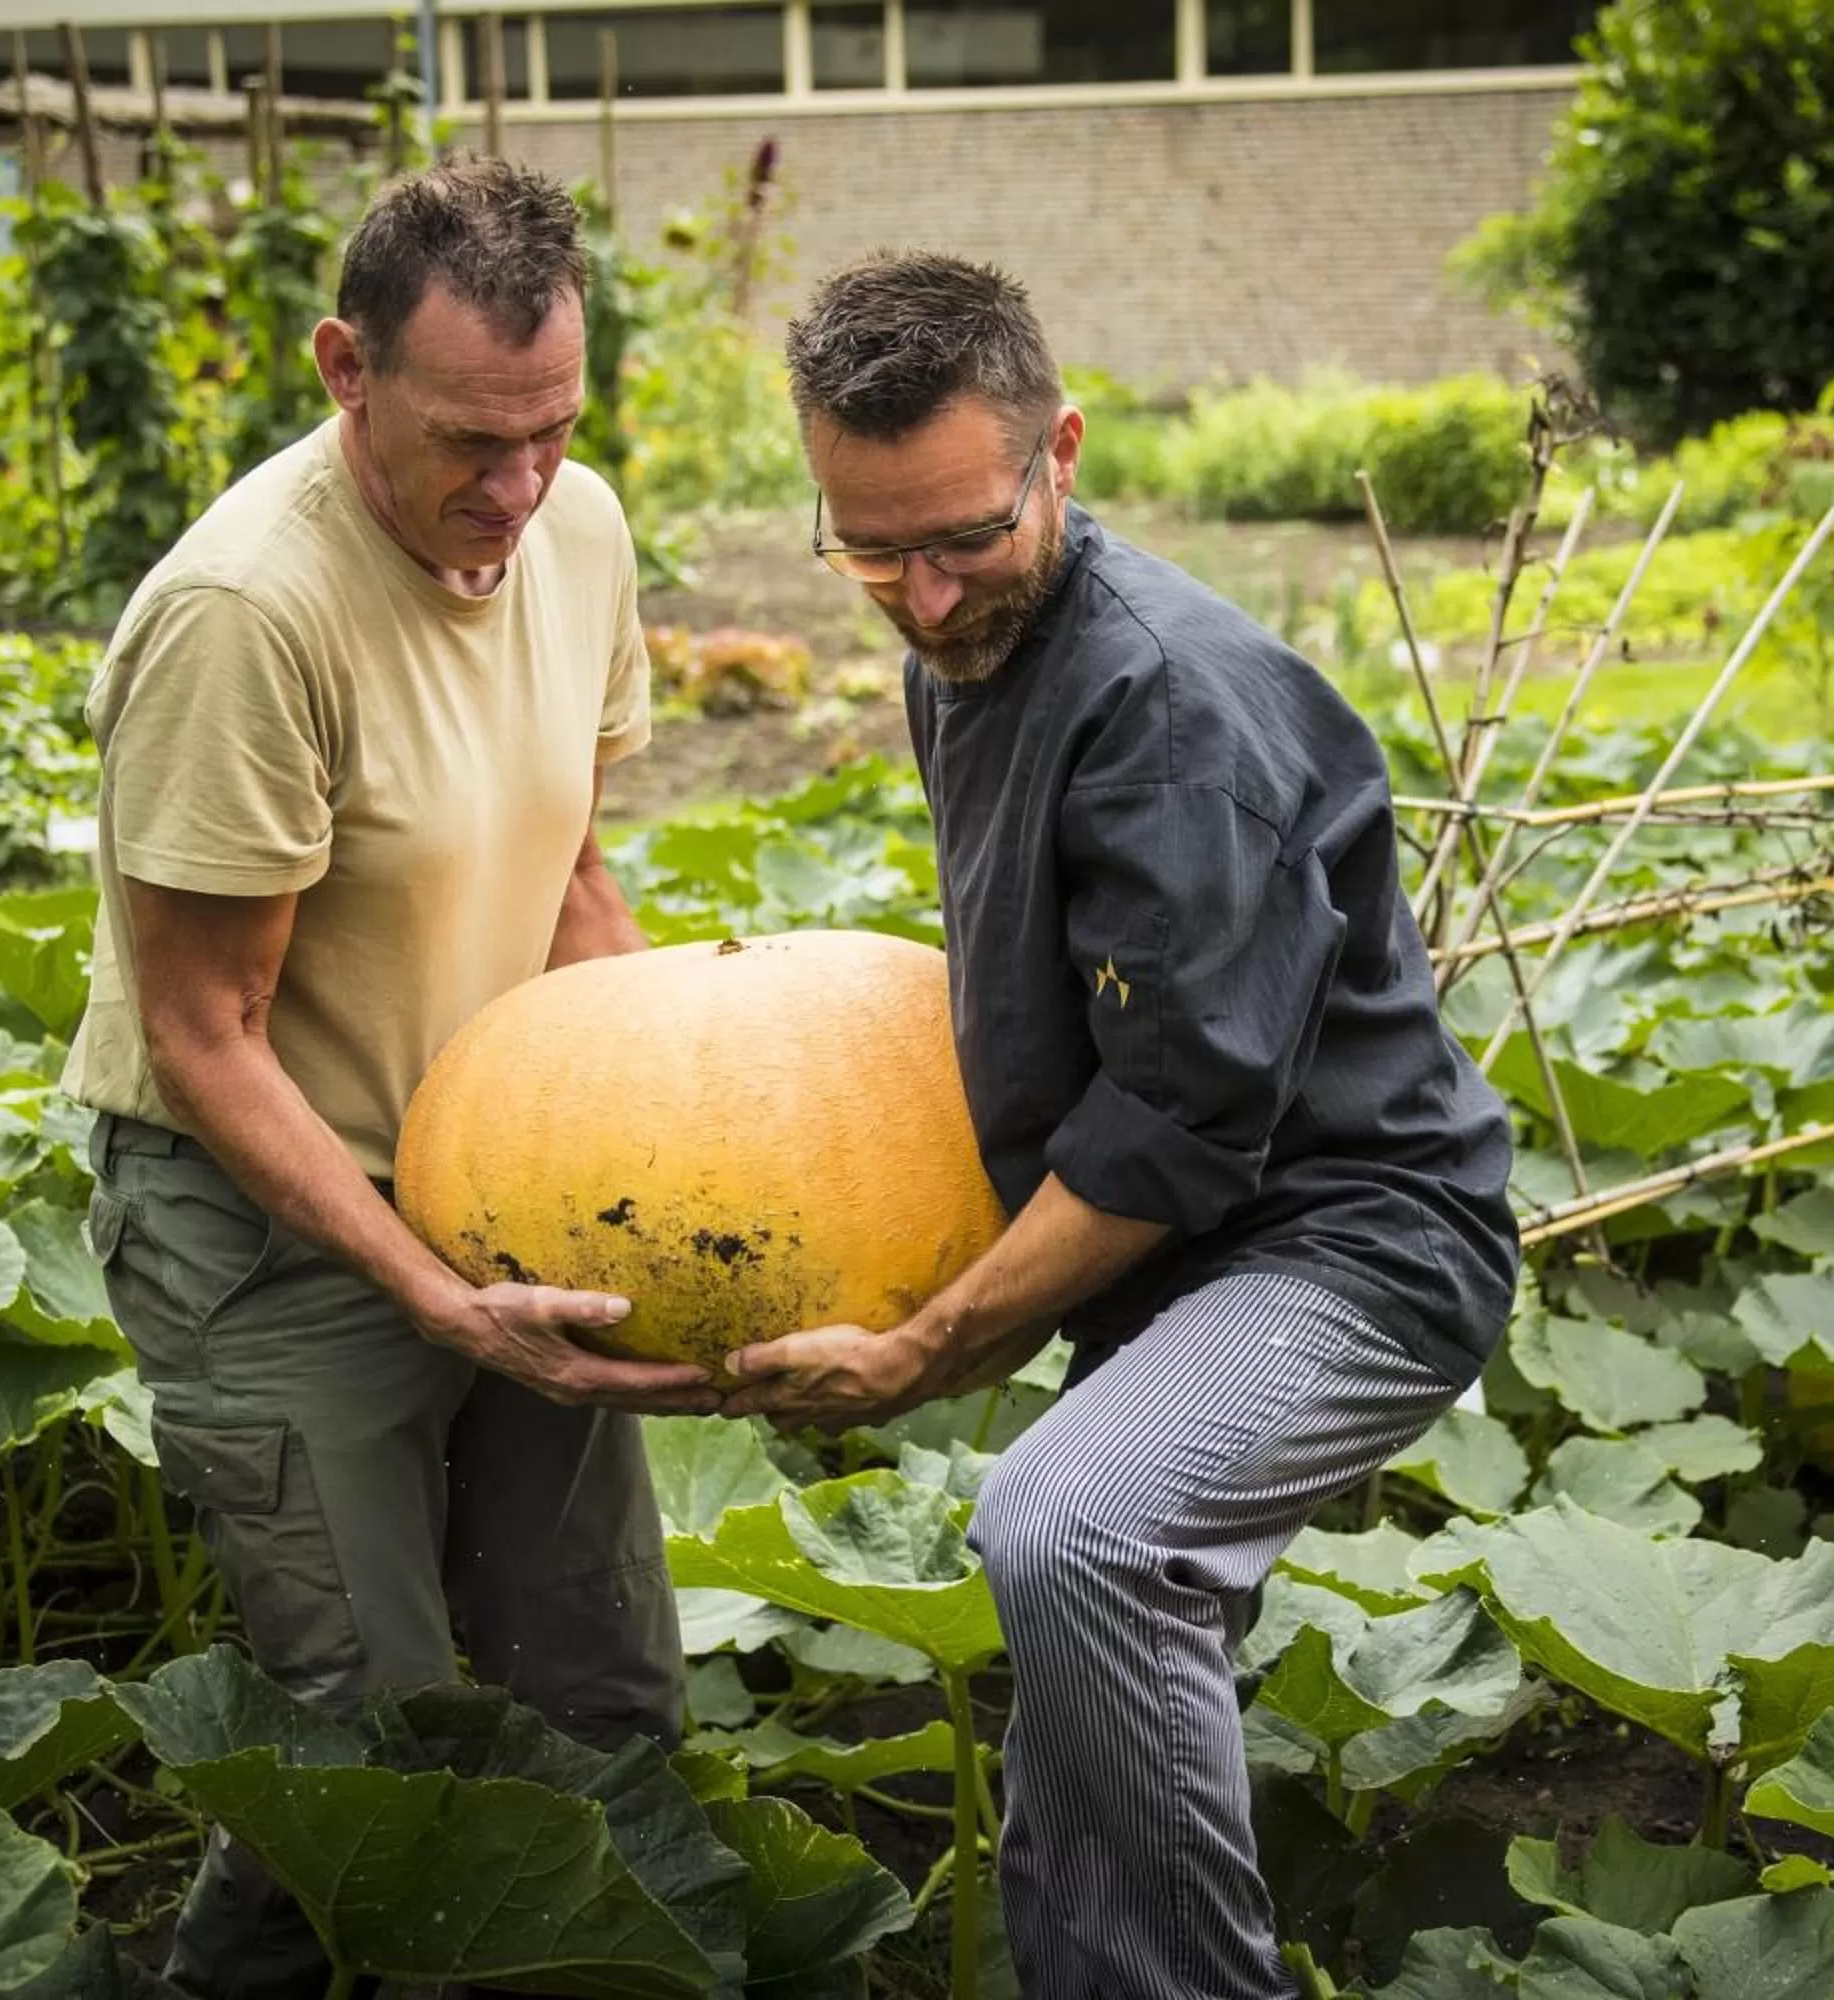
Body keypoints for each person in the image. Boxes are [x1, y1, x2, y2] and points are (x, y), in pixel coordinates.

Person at [724, 252, 1522, 2000]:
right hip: (1182, 1252)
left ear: (1062, 451)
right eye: (871, 551)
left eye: (965, 538)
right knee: (1092, 1683)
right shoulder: (971, 648)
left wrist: (932, 1344)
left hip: (1355, 1245)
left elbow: (1180, 1111)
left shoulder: (1167, 709)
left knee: (1074, 1529)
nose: (927, 598)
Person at [61, 157, 722, 2000]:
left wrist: (698, 1132)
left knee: (599, 1694)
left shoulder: (576, 530)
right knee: (370, 1741)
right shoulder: (243, 616)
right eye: (471, 441)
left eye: (554, 429)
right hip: (266, 1216)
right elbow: (206, 1034)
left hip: (509, 1173)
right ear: (346, 368)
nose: (518, 488)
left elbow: (572, 876)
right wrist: (431, 1296)